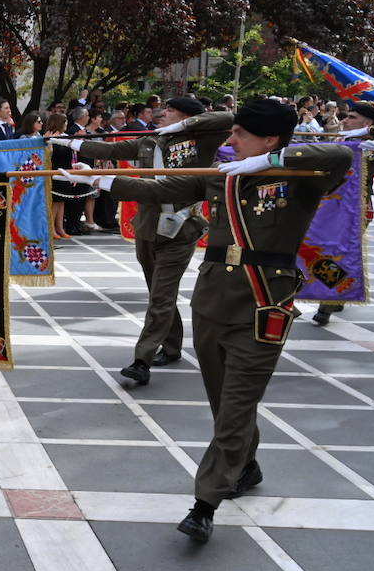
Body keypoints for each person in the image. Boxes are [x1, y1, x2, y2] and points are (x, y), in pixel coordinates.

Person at [60, 100, 351, 542]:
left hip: (262, 303)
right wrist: (98, 180)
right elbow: (162, 188)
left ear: (270, 139)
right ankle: (246, 465)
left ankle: (205, 503)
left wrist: (270, 161)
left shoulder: (302, 176)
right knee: (223, 398)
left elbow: (341, 154)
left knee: (235, 406)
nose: (230, 140)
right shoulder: (222, 176)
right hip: (213, 299)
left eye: (240, 133)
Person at [61, 97, 233, 383]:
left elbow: (227, 118)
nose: (163, 113)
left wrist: (184, 125)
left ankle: (142, 360)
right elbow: (111, 149)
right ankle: (172, 346)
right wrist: (70, 143)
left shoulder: (202, 140)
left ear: (187, 117)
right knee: (159, 293)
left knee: (161, 295)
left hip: (181, 229)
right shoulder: (150, 142)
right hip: (148, 227)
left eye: (171, 111)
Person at [312, 101, 374, 325]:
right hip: (330, 204)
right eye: (346, 117)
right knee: (320, 249)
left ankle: (327, 303)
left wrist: (368, 132)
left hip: (356, 205)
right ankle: (339, 292)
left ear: (367, 123)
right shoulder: (342, 140)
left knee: (341, 252)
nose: (345, 121)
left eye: (352, 117)